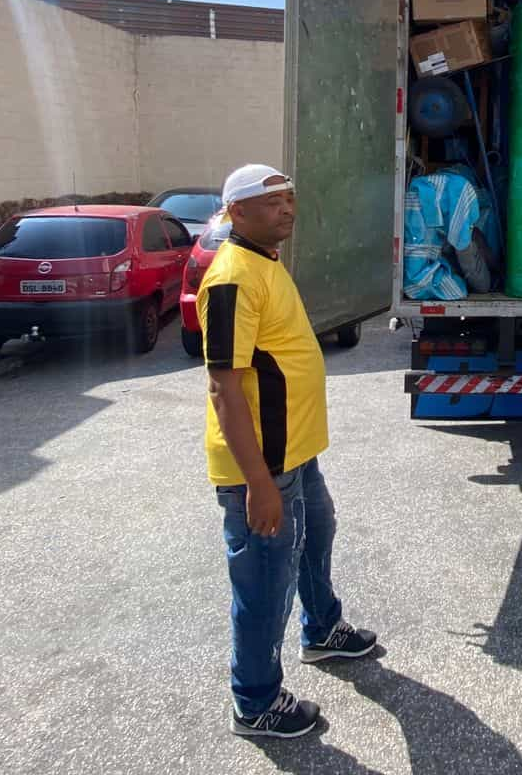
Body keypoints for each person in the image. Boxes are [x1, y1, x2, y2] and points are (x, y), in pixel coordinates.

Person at [199, 163, 376, 739]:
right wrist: (258, 483)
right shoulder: (231, 278)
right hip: (264, 467)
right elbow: (225, 390)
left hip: (296, 453)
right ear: (236, 212)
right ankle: (254, 702)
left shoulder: (266, 263)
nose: (287, 209)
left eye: (290, 198)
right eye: (272, 201)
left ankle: (322, 630)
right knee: (264, 583)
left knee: (315, 538)